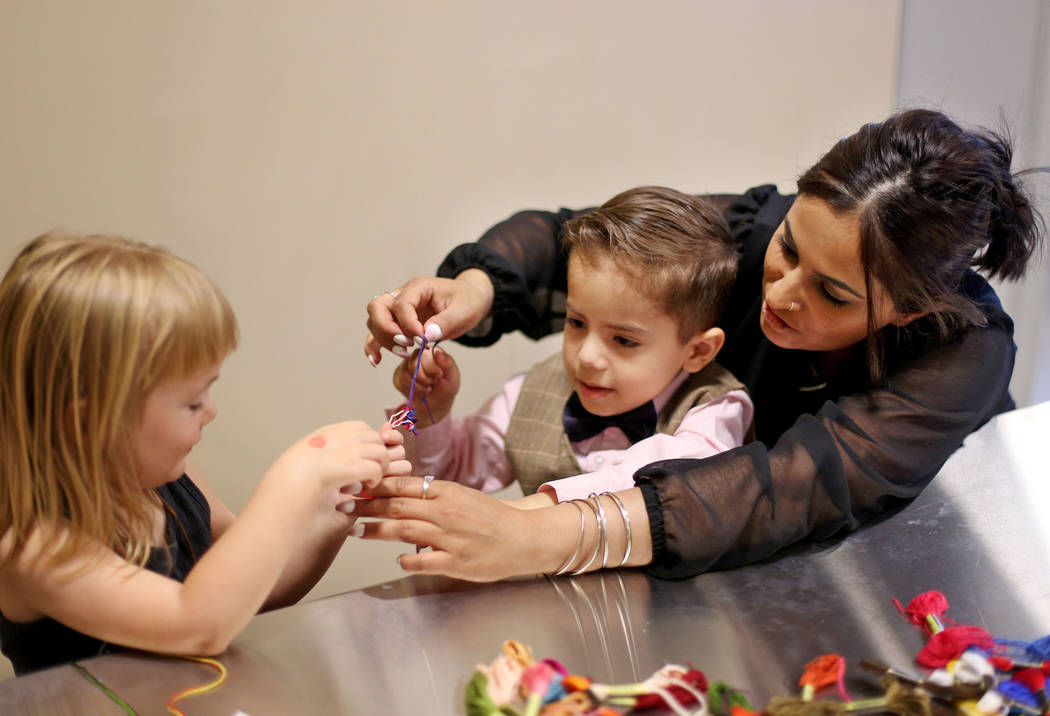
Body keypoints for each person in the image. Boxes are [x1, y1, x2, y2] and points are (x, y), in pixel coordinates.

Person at [355, 108, 1044, 583]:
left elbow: (788, 489)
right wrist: (476, 288)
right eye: (788, 247)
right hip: (739, 566)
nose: (780, 293)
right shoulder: (752, 230)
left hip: (916, 579)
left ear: (910, 308)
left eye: (832, 295)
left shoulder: (964, 359)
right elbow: (600, 241)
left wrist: (539, 532)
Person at [0, 232, 406, 675]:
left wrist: (336, 508)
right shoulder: (35, 548)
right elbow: (197, 623)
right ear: (88, 422)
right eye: (193, 402)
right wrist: (295, 477)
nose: (211, 413)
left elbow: (252, 590)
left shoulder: (168, 478)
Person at [388, 186, 753, 503]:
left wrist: (533, 514)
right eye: (577, 322)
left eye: (624, 340)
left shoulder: (716, 408)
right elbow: (446, 477)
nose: (588, 356)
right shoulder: (529, 396)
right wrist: (431, 413)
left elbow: (672, 484)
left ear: (698, 351)